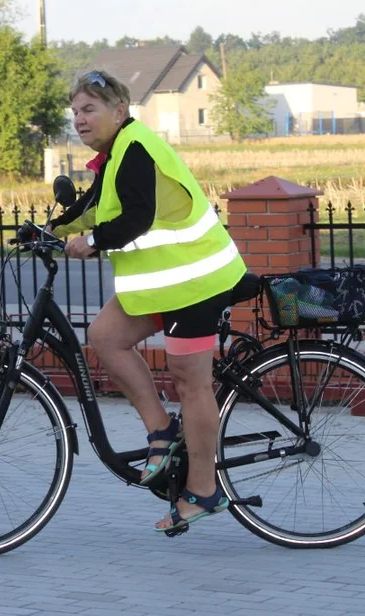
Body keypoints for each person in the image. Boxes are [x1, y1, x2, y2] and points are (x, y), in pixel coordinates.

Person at [48, 69, 248, 533]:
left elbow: (136, 217)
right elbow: (95, 206)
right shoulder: (115, 154)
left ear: (119, 111)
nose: (79, 119)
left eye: (89, 109)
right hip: (165, 283)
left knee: (189, 381)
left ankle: (203, 489)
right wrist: (49, 231)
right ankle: (162, 432)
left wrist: (93, 241)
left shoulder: (137, 149)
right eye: (75, 111)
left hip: (197, 280)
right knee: (105, 336)